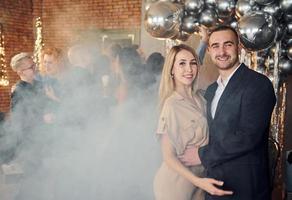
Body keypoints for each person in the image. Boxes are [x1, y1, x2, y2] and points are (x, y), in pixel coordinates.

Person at [179, 25, 276, 199]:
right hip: (214, 186)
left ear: (239, 47)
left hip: (246, 189)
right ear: (209, 50)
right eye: (215, 46)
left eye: (228, 44)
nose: (222, 51)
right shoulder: (211, 90)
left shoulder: (258, 85)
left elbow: (247, 137)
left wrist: (201, 155)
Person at [153, 44, 233, 200]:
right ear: (172, 69)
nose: (189, 69)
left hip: (201, 181)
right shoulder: (172, 104)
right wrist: (199, 182)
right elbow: (168, 157)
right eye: (182, 63)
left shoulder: (202, 99)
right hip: (176, 185)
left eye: (193, 63)